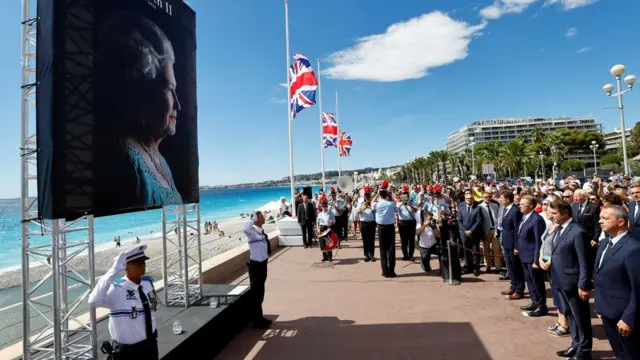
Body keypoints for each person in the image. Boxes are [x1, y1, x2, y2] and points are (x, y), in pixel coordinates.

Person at [95, 12, 183, 213]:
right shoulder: (127, 162)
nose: (178, 105)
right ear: (142, 93)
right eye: (169, 89)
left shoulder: (159, 160)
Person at [88, 245, 159, 360]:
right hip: (128, 353)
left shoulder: (147, 283)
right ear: (126, 267)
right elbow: (94, 300)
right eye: (138, 263)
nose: (143, 265)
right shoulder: (116, 289)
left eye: (143, 262)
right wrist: (114, 270)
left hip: (151, 346)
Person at [543, 201, 593, 360]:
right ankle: (576, 344)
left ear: (565, 214)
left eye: (554, 213)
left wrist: (583, 285)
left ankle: (584, 351)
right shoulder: (560, 229)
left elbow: (584, 261)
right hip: (560, 280)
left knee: (581, 317)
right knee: (570, 315)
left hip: (573, 283)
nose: (551, 216)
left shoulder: (577, 232)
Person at [594, 205, 640, 359]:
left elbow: (637, 288)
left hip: (624, 316)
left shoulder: (633, 249)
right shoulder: (604, 244)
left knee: (630, 355)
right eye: (600, 218)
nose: (600, 221)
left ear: (621, 222)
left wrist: (629, 318)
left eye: (605, 218)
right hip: (608, 311)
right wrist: (600, 307)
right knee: (619, 353)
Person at [516, 195, 548, 317]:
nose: (520, 206)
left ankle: (541, 306)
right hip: (524, 255)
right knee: (529, 280)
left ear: (530, 206)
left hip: (532, 257)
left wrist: (536, 260)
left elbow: (539, 241)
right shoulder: (524, 217)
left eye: (522, 204)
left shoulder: (537, 219)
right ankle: (535, 302)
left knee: (537, 281)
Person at [243, 211, 273, 329]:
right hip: (256, 266)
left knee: (261, 292)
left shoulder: (260, 231)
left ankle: (259, 317)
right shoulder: (251, 232)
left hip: (263, 265)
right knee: (256, 293)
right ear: (256, 219)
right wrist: (253, 219)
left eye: (262, 216)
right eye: (260, 217)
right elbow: (245, 229)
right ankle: (256, 320)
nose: (263, 218)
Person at [499, 190, 525, 299]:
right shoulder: (505, 209)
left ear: (507, 199)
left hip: (513, 244)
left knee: (516, 267)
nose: (500, 200)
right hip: (506, 243)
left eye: (502, 198)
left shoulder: (515, 211)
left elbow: (517, 230)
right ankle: (513, 286)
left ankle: (519, 289)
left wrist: (516, 246)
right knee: (510, 267)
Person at [374, 180, 398, 278]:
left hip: (381, 227)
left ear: (380, 194)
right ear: (387, 193)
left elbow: (372, 204)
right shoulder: (391, 203)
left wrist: (377, 194)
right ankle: (391, 271)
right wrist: (391, 196)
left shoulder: (377, 204)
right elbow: (397, 210)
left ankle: (385, 271)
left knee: (383, 250)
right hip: (390, 227)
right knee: (391, 249)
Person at [457, 190, 483, 277]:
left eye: (471, 198)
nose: (469, 200)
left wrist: (471, 231)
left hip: (474, 233)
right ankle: (469, 267)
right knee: (466, 250)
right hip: (464, 233)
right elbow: (459, 220)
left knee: (475, 251)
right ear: (465, 198)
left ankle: (476, 268)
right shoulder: (461, 206)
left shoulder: (478, 207)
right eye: (468, 198)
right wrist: (465, 231)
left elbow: (479, 221)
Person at [397, 185, 419, 261]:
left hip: (411, 222)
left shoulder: (412, 202)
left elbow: (416, 210)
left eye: (406, 196)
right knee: (403, 240)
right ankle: (405, 255)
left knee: (411, 240)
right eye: (404, 196)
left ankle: (411, 255)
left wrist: (410, 205)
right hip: (402, 222)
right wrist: (402, 204)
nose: (405, 197)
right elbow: (396, 211)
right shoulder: (399, 204)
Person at [357, 186, 376, 262]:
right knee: (365, 240)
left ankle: (371, 255)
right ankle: (366, 255)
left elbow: (376, 212)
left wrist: (371, 205)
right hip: (363, 223)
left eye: (368, 196)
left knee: (372, 240)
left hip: (371, 223)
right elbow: (358, 212)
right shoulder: (360, 203)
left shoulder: (373, 203)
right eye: (366, 196)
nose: (367, 197)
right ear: (364, 196)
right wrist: (364, 207)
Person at [316, 196, 336, 262]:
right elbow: (317, 222)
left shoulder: (330, 213)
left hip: (328, 228)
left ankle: (330, 257)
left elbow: (334, 221)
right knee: (322, 243)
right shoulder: (319, 214)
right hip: (322, 228)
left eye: (325, 206)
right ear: (321, 206)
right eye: (323, 206)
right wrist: (318, 229)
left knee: (329, 242)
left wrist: (331, 222)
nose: (324, 207)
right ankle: (325, 257)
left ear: (327, 206)